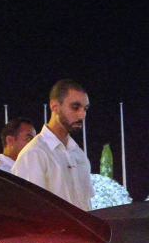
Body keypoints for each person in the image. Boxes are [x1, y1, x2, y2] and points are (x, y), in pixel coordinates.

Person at [12, 79, 93, 210]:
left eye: (85, 109)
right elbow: (31, 211)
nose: (82, 115)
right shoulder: (34, 153)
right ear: (55, 106)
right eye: (75, 107)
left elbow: (86, 204)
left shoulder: (78, 154)